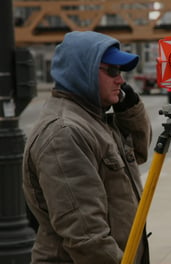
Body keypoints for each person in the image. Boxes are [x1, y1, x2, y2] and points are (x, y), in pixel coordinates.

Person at [22, 31, 152, 264]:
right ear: (84, 72)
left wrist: (129, 108)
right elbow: (86, 236)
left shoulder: (95, 118)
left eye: (121, 72)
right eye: (112, 71)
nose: (120, 79)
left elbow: (138, 153)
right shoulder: (64, 133)